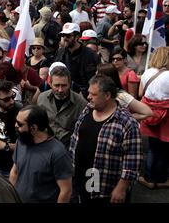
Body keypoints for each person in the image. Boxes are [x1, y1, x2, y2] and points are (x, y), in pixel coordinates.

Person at [70, 75, 142, 203]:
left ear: (107, 95)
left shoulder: (126, 122)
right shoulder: (88, 110)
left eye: (93, 94)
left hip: (106, 185)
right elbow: (75, 140)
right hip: (82, 177)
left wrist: (121, 188)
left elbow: (132, 160)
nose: (88, 97)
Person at [9, 105, 73, 203]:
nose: (15, 126)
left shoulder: (58, 153)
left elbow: (66, 191)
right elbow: (14, 172)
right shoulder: (21, 142)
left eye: (20, 124)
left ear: (33, 128)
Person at [138, 47, 169, 189]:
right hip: (166, 116)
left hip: (149, 113)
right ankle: (161, 179)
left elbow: (140, 93)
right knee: (164, 149)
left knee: (152, 147)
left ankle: (149, 179)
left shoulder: (147, 72)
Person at [37, 66, 87, 148]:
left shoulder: (81, 104)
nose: (60, 90)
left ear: (70, 84)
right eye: (56, 85)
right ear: (50, 83)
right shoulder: (42, 98)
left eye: (64, 85)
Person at [55, 22, 100, 97]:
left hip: (84, 95)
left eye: (68, 36)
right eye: (63, 35)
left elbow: (94, 79)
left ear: (77, 37)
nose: (65, 38)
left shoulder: (90, 55)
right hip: (62, 92)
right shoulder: (60, 52)